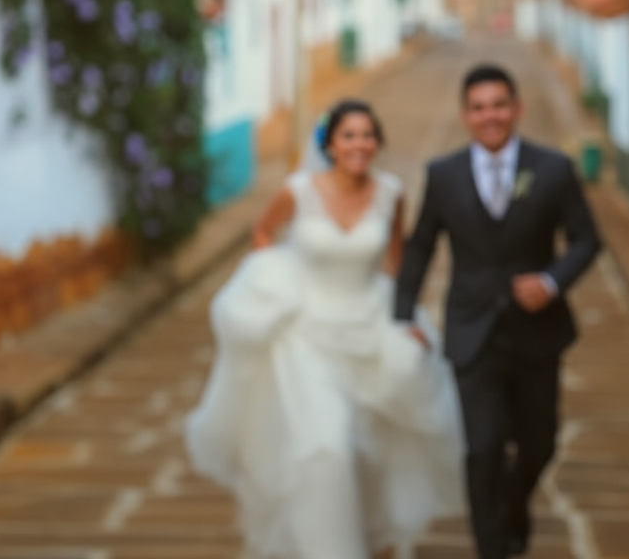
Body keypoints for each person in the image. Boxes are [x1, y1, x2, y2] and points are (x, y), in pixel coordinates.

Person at [184, 99, 465, 559]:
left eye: (368, 135)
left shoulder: (391, 194)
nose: (360, 144)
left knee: (368, 451)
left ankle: (371, 535)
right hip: (307, 336)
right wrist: (273, 285)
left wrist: (407, 320)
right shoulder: (299, 191)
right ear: (331, 144)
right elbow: (262, 233)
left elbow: (398, 264)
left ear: (377, 143)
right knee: (326, 446)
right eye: (349, 135)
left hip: (369, 328)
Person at [395, 63, 602, 559]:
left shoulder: (552, 169)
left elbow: (587, 239)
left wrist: (551, 282)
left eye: (499, 105)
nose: (490, 116)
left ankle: (512, 504)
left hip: (536, 332)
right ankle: (490, 547)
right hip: (472, 331)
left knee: (540, 445)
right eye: (479, 107)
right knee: (483, 448)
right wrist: (403, 314)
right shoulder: (442, 175)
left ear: (517, 109)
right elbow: (421, 245)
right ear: (466, 115)